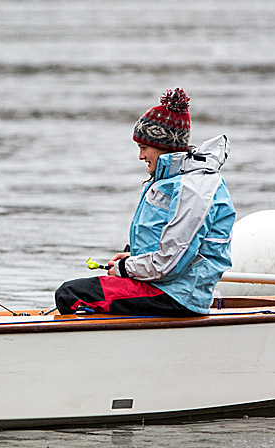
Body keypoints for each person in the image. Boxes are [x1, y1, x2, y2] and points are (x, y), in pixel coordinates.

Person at [55, 88, 235, 316]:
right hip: (165, 287)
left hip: (175, 295)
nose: (140, 156)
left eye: (144, 148)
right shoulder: (179, 180)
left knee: (70, 294)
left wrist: (125, 268)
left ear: (165, 147)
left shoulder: (193, 189)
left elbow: (170, 263)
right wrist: (132, 258)